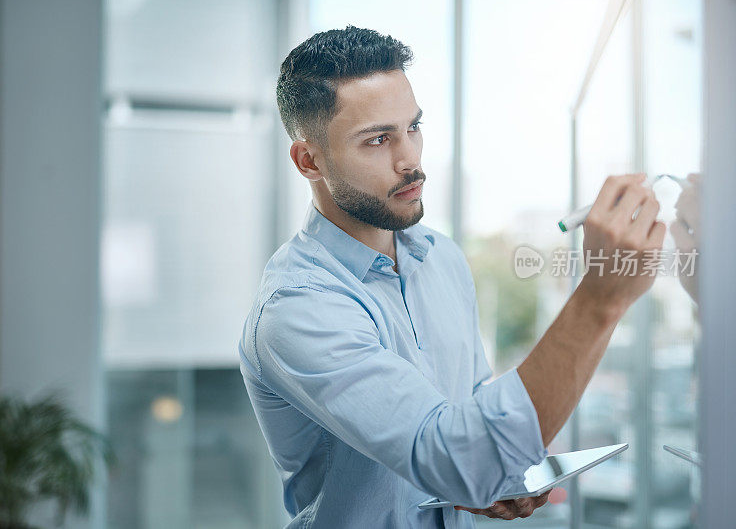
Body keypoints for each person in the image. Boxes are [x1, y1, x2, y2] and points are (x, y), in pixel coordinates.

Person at [238, 26, 666, 528]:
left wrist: (506, 472)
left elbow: (470, 405)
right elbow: (459, 459)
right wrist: (599, 300)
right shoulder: (297, 308)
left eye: (413, 128)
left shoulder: (442, 258)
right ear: (308, 160)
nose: (410, 160)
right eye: (377, 140)